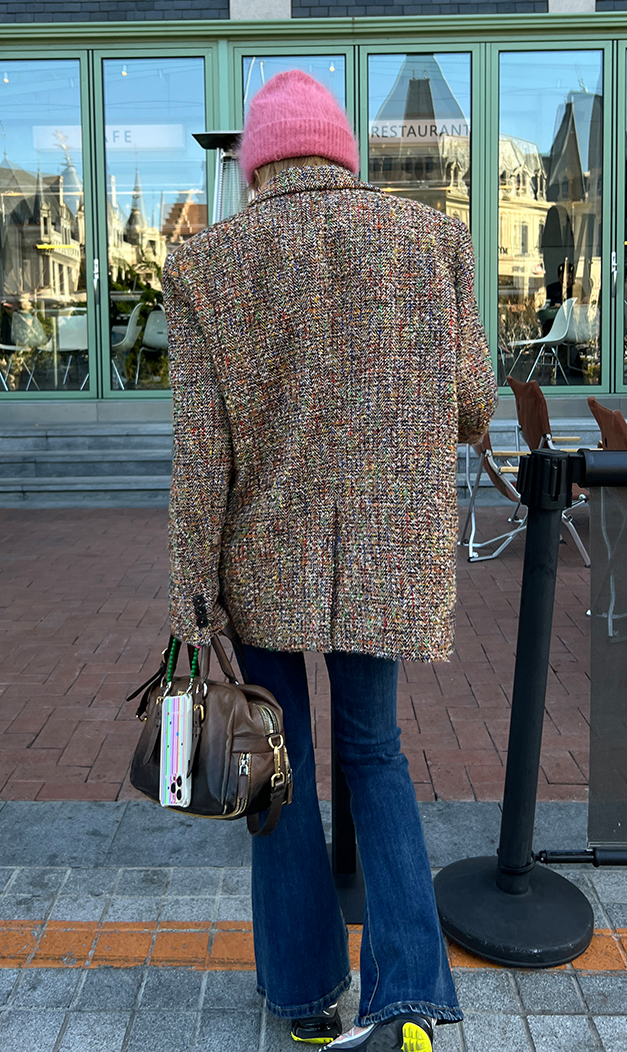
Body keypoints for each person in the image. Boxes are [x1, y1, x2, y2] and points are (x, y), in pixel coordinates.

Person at [162, 70, 498, 1052]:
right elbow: (473, 403)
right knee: (375, 754)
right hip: (383, 555)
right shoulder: (428, 238)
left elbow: (201, 454)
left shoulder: (207, 263)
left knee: (279, 769)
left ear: (256, 163)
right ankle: (409, 1002)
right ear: (342, 151)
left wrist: (191, 601)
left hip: (262, 556)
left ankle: (307, 998)